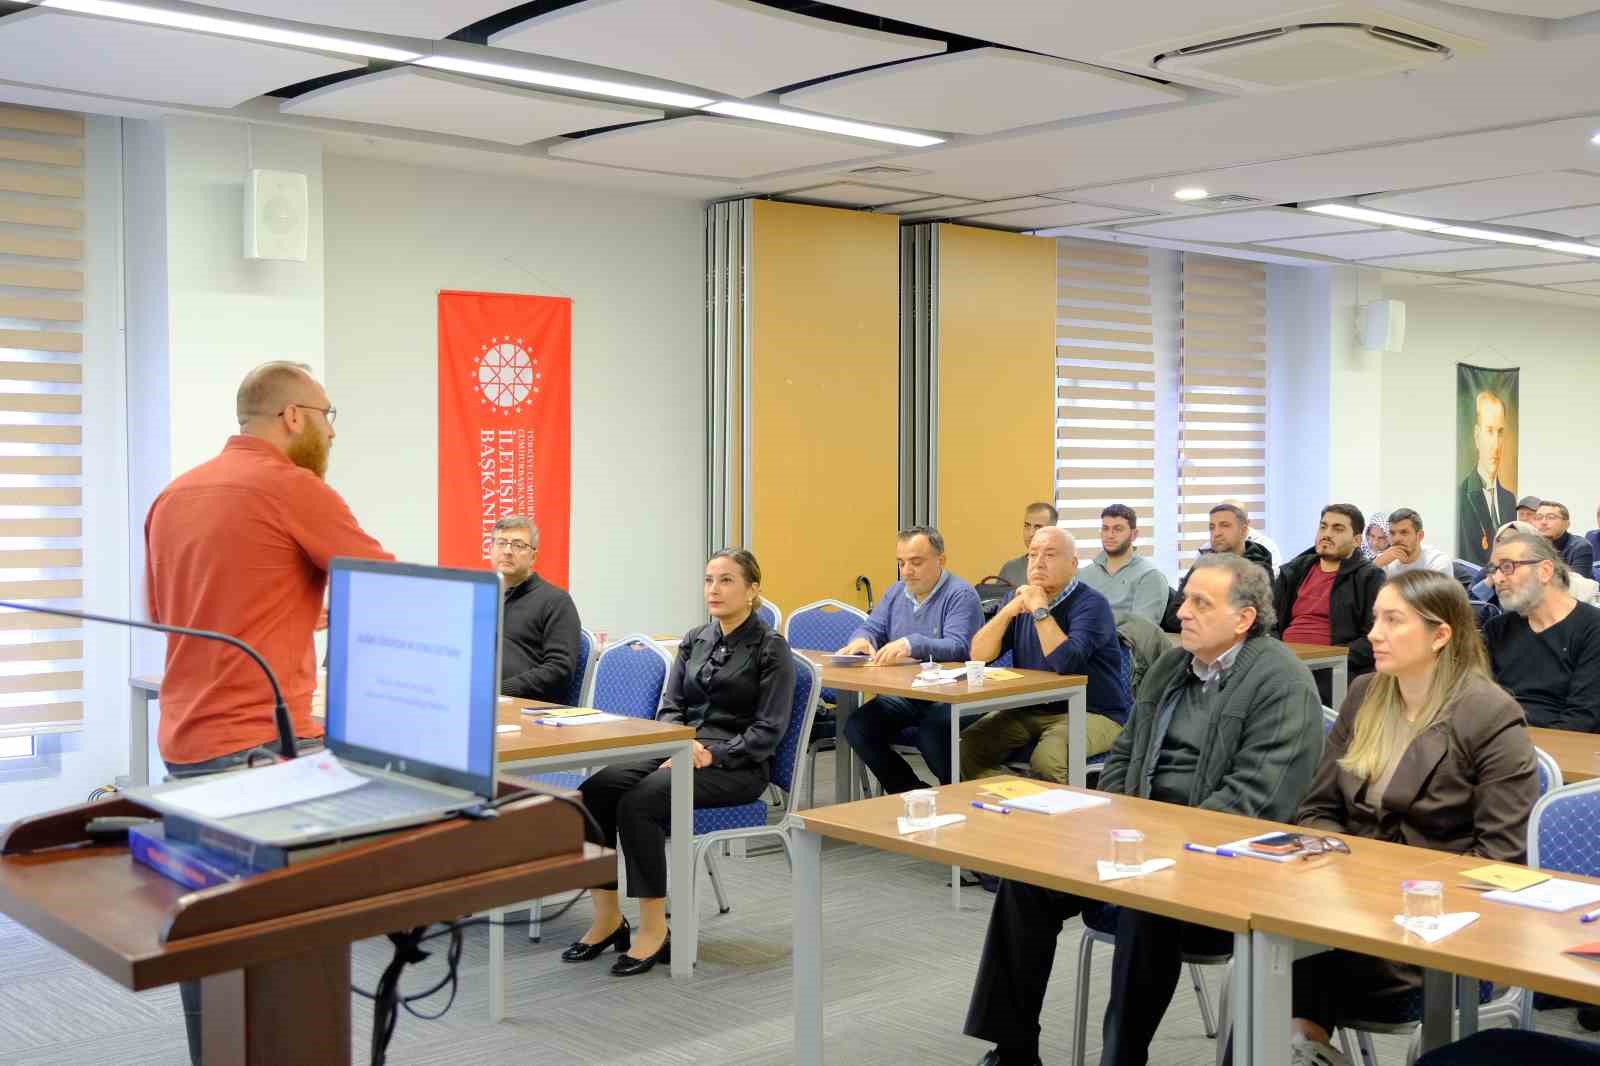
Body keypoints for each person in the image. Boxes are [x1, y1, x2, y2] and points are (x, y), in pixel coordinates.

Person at [963, 553, 1324, 1066]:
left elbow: (1257, 799)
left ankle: (1122, 1057)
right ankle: (1014, 1049)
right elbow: (1124, 756)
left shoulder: (1281, 681)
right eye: (1186, 600)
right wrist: (1111, 823)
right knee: (1028, 878)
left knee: (1144, 900)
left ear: (1244, 618)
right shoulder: (1174, 666)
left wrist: (1158, 847)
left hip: (1223, 865)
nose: (1183, 613)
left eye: (1202, 603)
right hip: (1138, 842)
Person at [145, 361, 393, 1065]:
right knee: (292, 952)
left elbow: (170, 613)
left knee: (210, 930)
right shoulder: (293, 487)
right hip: (263, 749)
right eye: (327, 415)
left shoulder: (174, 494)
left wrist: (290, 610)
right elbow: (390, 588)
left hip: (187, 746)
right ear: (294, 417)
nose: (329, 431)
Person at [1287, 570, 1538, 1066]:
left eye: (1392, 621)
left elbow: (1501, 861)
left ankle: (1300, 1044)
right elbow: (1316, 809)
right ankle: (1302, 1046)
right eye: (1375, 618)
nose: (1374, 633)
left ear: (1440, 634)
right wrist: (1350, 876)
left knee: (1283, 972)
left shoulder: (1489, 714)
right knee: (1269, 955)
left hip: (1436, 930)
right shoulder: (1366, 694)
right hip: (1348, 910)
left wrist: (1380, 891)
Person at [572, 549, 795, 976]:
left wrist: (711, 752)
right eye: (709, 579)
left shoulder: (771, 648)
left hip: (738, 766)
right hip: (678, 750)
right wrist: (681, 742)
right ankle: (607, 918)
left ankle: (654, 929)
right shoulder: (695, 639)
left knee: (641, 801)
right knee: (594, 792)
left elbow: (768, 730)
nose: (714, 589)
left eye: (727, 580)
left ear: (752, 591)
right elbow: (670, 707)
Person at [959, 527, 1129, 784]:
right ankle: (1014, 804)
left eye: (1049, 555)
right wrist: (1007, 613)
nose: (1038, 563)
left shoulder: (1092, 605)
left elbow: (1066, 662)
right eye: (1032, 555)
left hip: (1093, 711)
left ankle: (1062, 821)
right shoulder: (1016, 598)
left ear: (1073, 565)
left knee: (1048, 760)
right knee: (966, 748)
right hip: (1029, 709)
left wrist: (1040, 610)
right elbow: (979, 655)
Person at [838, 526, 983, 793]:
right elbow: (872, 628)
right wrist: (861, 639)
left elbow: (960, 647)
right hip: (909, 693)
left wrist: (912, 643)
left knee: (932, 732)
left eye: (916, 562)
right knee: (858, 726)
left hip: (952, 694)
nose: (906, 571)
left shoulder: (960, 594)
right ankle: (913, 793)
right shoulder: (896, 592)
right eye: (901, 563)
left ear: (941, 560)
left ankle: (958, 795)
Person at [1481, 531, 1600, 732]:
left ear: (1545, 571)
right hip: (1498, 742)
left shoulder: (1592, 628)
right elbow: (1479, 700)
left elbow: (1584, 718)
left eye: (1507, 567)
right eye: (1494, 569)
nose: (1497, 578)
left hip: (1564, 750)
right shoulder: (1496, 629)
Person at [1275, 504, 1385, 703]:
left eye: (1338, 528)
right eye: (1323, 527)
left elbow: (1375, 636)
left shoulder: (1369, 577)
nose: (1327, 534)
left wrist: (1332, 657)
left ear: (1356, 540)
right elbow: (1269, 623)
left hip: (1336, 668)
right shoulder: (1293, 572)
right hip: (1284, 662)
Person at [492, 515, 581, 703]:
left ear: (533, 556)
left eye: (518, 545)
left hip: (528, 709)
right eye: (501, 543)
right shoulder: (485, 598)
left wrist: (500, 690)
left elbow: (559, 670)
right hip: (482, 702)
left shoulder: (556, 601)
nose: (508, 551)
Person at [1161, 502, 1275, 632]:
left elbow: (1254, 622)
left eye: (1225, 526)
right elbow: (1173, 616)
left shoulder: (1258, 568)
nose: (1216, 533)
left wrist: (1198, 617)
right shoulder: (1203, 565)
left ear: (1243, 531)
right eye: (1212, 527)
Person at [1076, 504, 1169, 626]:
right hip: (1079, 640)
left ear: (1134, 534)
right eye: (1105, 528)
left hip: (1120, 643)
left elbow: (1140, 631)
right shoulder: (1083, 574)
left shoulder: (1150, 576)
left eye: (1118, 529)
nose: (1110, 535)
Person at [1455, 390, 1516, 565]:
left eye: (1500, 432)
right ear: (1476, 435)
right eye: (1489, 431)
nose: (1496, 444)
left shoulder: (1509, 499)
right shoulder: (1461, 496)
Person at [1370, 508, 1452, 577]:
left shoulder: (1436, 562)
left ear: (1420, 536)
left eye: (1404, 532)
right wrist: (1376, 564)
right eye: (1392, 533)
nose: (1397, 539)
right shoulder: (1383, 561)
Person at [1000, 501, 1057, 587]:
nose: (1031, 533)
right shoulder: (1010, 569)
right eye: (1027, 526)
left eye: (1038, 527)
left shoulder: (1063, 569)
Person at [1221, 497, 1281, 576]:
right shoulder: (1209, 547)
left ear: (1246, 523)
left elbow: (1274, 579)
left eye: (1227, 524)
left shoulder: (1266, 546)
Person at [1536, 500, 1595, 575]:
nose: (1543, 522)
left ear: (1566, 524)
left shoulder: (1581, 547)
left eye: (1551, 517)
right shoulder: (1532, 546)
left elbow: (1577, 584)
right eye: (1539, 517)